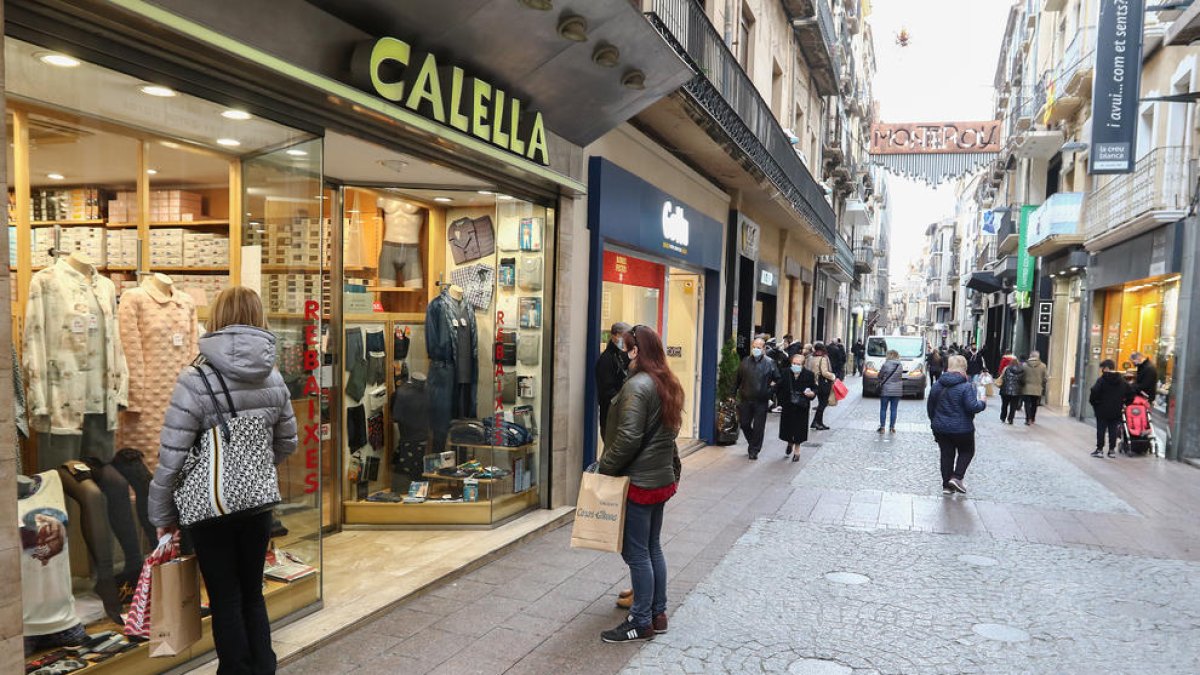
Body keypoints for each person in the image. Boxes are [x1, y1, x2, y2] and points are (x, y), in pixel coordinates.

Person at [149, 287, 297, 674]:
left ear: (215, 319)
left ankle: (235, 669)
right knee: (252, 593)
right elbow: (287, 442)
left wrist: (162, 513)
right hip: (258, 503)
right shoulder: (274, 376)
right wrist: (252, 467)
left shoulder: (194, 379)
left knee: (225, 598)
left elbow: (172, 457)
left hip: (208, 507)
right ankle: (263, 666)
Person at [597, 324, 682, 643]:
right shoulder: (667, 381)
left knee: (636, 553)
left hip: (640, 481)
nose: (625, 351)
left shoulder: (638, 385)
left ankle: (641, 620)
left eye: (628, 347)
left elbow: (629, 437)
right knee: (652, 547)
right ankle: (658, 614)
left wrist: (605, 466)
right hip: (660, 478)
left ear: (636, 351)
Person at [928, 354, 986, 495]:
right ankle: (957, 477)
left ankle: (946, 486)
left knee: (946, 455)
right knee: (967, 451)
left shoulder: (937, 385)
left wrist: (935, 422)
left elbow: (930, 407)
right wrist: (982, 402)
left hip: (941, 428)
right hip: (962, 428)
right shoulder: (966, 387)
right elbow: (972, 407)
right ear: (964, 369)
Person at [735, 337, 778, 460]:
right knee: (744, 424)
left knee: (759, 427)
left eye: (758, 347)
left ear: (764, 349)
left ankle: (754, 450)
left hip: (761, 401)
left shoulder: (770, 363)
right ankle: (753, 443)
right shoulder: (745, 361)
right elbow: (737, 379)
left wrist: (770, 390)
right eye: (754, 347)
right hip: (746, 399)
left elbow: (778, 379)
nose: (755, 349)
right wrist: (732, 394)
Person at [595, 322, 631, 442]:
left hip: (618, 415)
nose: (626, 340)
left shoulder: (619, 356)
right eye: (624, 336)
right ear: (615, 335)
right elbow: (607, 391)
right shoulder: (606, 359)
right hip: (610, 416)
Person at [778, 353, 817, 461]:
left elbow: (814, 388)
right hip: (788, 405)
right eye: (794, 363)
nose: (795, 366)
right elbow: (779, 387)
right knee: (789, 428)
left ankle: (797, 451)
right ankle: (790, 442)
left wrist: (812, 393)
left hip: (802, 406)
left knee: (799, 429)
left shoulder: (809, 375)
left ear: (803, 365)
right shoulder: (786, 372)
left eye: (798, 364)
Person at [1089, 359, 1130, 458]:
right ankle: (1111, 450)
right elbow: (1130, 393)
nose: (1102, 370)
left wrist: (1095, 403)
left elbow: (1094, 392)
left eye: (1102, 368)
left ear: (1106, 368)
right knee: (1113, 430)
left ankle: (1099, 450)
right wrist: (1124, 403)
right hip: (1116, 409)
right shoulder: (1122, 380)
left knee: (1101, 430)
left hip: (1102, 410)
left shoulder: (1102, 380)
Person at [808, 342, 836, 431]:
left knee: (821, 403)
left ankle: (818, 422)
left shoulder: (812, 358)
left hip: (816, 383)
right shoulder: (823, 359)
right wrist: (833, 376)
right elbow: (824, 372)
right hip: (823, 383)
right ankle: (816, 422)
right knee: (823, 404)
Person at [876, 349, 903, 433]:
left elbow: (880, 375)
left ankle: (883, 427)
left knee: (883, 409)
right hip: (897, 390)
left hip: (886, 389)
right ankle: (892, 427)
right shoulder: (900, 365)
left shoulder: (886, 364)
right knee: (894, 409)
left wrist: (881, 379)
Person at [1020, 351, 1049, 425]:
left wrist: (1023, 383)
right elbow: (1045, 378)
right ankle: (1032, 418)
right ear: (1038, 356)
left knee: (1027, 403)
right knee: (1034, 404)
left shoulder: (1025, 365)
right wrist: (1042, 384)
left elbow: (1021, 376)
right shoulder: (1043, 366)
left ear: (1030, 356)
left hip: (1027, 387)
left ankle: (1027, 419)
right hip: (1037, 388)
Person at [998, 355, 1025, 424]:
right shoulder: (1022, 370)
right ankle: (1010, 418)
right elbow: (1022, 381)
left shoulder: (1006, 368)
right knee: (1013, 406)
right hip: (1016, 391)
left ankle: (1003, 417)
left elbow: (1003, 377)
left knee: (1004, 404)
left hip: (1005, 390)